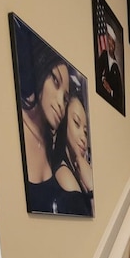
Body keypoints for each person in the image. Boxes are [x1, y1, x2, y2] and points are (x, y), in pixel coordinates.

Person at [17, 31, 72, 214]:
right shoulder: (18, 131)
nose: (60, 103)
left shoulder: (53, 147)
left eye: (65, 98)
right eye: (55, 81)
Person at [52, 88, 94, 217]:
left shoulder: (75, 172)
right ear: (64, 122)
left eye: (86, 132)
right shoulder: (64, 174)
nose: (83, 137)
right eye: (76, 123)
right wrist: (92, 187)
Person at [96, 23, 123, 112]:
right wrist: (103, 80)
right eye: (109, 40)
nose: (111, 44)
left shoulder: (116, 68)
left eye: (113, 41)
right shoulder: (103, 56)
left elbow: (119, 95)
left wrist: (111, 91)